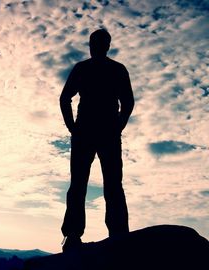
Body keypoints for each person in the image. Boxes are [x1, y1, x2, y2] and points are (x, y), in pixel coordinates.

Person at [59, 28, 134, 252]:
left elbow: (128, 102)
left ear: (105, 45)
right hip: (93, 132)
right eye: (95, 43)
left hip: (96, 132)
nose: (96, 47)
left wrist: (118, 124)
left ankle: (111, 234)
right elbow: (65, 98)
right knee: (93, 184)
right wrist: (72, 126)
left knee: (102, 184)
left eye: (99, 43)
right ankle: (85, 234)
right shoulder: (105, 69)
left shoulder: (105, 69)